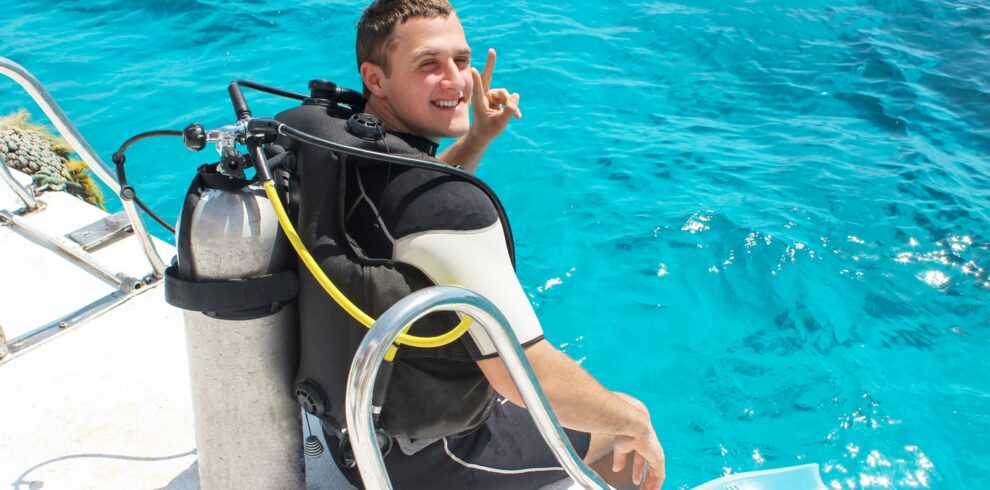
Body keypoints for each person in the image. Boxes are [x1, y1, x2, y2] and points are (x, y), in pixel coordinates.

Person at [315, 1, 666, 488]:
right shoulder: (452, 212)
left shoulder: (342, 151)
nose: (457, 81)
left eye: (461, 60)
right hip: (429, 460)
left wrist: (477, 137)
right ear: (375, 79)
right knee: (623, 419)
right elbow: (523, 374)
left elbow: (409, 223)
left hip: (350, 432)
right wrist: (633, 425)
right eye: (428, 64)